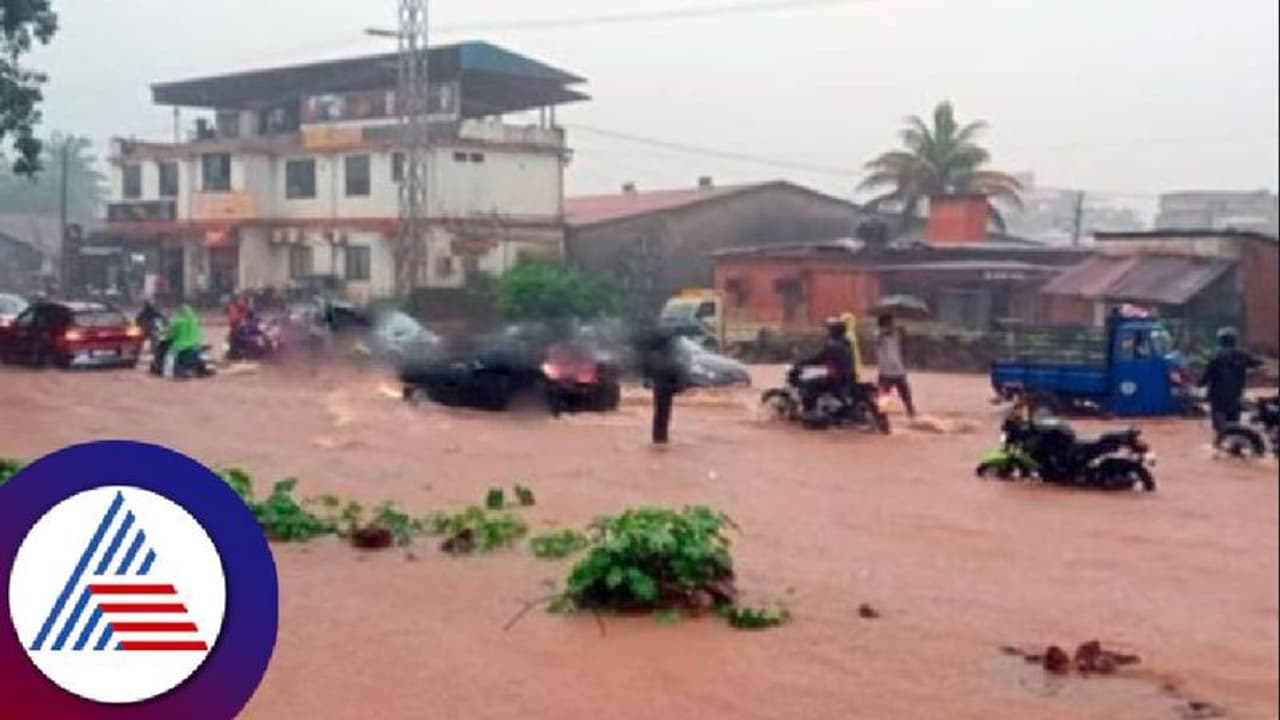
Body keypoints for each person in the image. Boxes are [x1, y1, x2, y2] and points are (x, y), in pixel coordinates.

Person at [1199, 327, 1262, 439]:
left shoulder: (1215, 355)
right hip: (1235, 395)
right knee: (1234, 423)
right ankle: (1234, 442)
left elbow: (1207, 375)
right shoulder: (1242, 354)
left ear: (1220, 341)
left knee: (1219, 424)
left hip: (1217, 396)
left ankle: (1221, 441)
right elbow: (1258, 363)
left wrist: (1200, 384)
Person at [794, 318, 857, 417]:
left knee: (809, 384)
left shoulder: (832, 345)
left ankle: (810, 411)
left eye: (829, 330)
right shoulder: (846, 343)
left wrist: (802, 363)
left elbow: (819, 358)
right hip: (849, 376)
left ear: (833, 332)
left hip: (837, 378)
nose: (827, 333)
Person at [640, 327, 689, 445]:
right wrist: (681, 384)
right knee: (664, 412)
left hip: (659, 387)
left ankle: (658, 438)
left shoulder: (653, 355)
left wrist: (647, 381)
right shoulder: (671, 354)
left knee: (659, 412)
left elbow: (647, 372)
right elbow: (678, 369)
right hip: (667, 385)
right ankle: (661, 438)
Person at [876, 314, 917, 418]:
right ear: (882, 325)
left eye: (891, 323)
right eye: (888, 323)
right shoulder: (878, 335)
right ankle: (883, 420)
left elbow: (905, 345)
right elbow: (879, 338)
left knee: (906, 397)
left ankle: (912, 416)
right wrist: (888, 331)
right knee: (884, 399)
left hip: (898, 370)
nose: (891, 325)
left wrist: (903, 333)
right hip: (885, 372)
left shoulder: (897, 334)